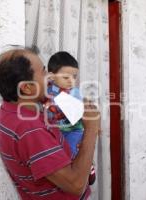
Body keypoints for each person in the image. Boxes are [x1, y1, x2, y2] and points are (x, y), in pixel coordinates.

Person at [0, 47, 100, 200]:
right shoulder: (29, 129)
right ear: (27, 88)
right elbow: (76, 185)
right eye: (43, 72)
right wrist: (92, 128)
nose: (49, 77)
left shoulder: (10, 111)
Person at [45, 51, 95, 185]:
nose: (71, 81)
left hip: (74, 129)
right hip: (57, 130)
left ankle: (87, 167)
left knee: (73, 151)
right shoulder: (46, 91)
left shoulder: (74, 92)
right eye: (66, 77)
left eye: (74, 76)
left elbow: (79, 114)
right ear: (51, 76)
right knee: (60, 156)